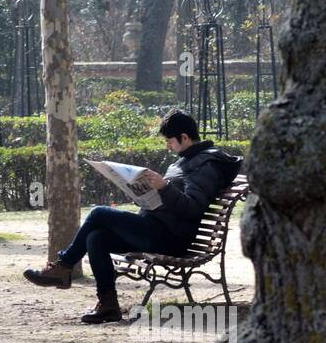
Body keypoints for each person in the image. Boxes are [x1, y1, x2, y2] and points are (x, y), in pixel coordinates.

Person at [22, 109, 242, 323]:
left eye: (170, 141)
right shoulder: (184, 161)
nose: (168, 146)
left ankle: (64, 265)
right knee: (95, 238)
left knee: (98, 212)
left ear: (184, 137)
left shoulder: (206, 165)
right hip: (156, 227)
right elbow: (169, 200)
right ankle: (108, 306)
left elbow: (193, 207)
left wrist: (164, 188)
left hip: (171, 238)